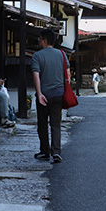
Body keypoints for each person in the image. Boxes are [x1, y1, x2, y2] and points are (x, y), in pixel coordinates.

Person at [31, 29, 68, 163]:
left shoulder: (37, 56)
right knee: (56, 123)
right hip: (58, 93)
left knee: (42, 124)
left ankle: (45, 152)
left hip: (44, 94)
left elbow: (36, 76)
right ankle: (56, 152)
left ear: (45, 40)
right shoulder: (62, 55)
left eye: (40, 38)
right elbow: (67, 74)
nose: (39, 41)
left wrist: (39, 93)